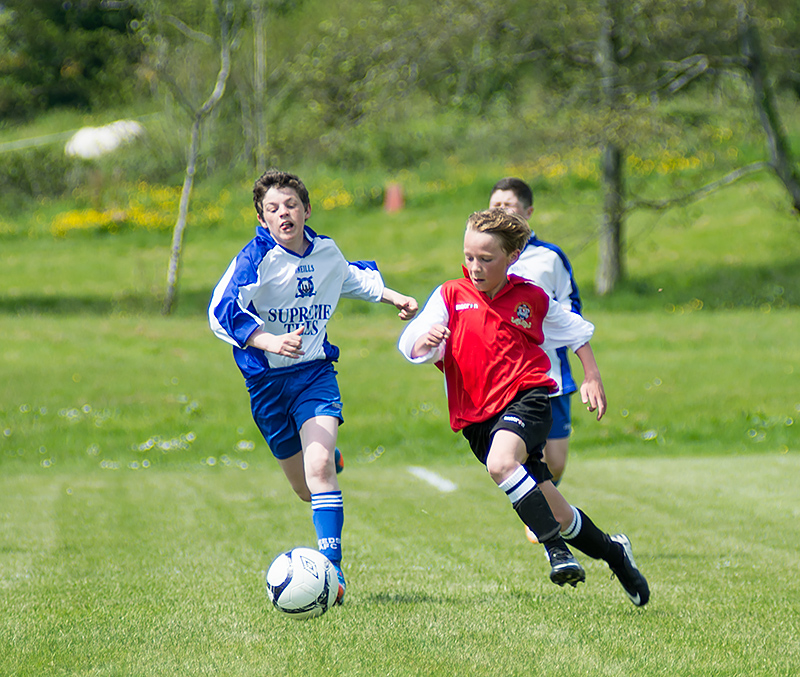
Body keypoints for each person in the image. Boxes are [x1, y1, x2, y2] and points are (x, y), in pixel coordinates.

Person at [398, 208, 649, 606]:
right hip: (478, 419)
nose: (475, 267)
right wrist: (426, 339)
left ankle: (555, 551)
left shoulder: (530, 297)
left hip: (528, 398)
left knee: (501, 464)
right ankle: (616, 555)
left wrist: (591, 376)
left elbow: (576, 331)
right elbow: (409, 344)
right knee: (561, 515)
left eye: (486, 259)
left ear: (512, 257)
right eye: (468, 257)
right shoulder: (450, 295)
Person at [209, 169, 418, 606]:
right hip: (266, 384)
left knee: (319, 468)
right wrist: (268, 340)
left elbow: (350, 279)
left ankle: (334, 571)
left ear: (306, 210)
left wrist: (394, 297)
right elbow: (220, 311)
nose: (283, 213)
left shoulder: (326, 252)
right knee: (306, 487)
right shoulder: (255, 259)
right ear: (262, 218)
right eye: (272, 208)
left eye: (290, 205)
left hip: (314, 375)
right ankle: (327, 456)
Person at [489, 177, 581, 488]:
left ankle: (542, 501)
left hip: (551, 370)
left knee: (555, 461)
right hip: (506, 373)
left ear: (527, 212)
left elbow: (571, 306)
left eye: (508, 206)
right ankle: (538, 514)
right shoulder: (485, 257)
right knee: (515, 454)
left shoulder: (550, 257)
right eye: (495, 206)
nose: (501, 211)